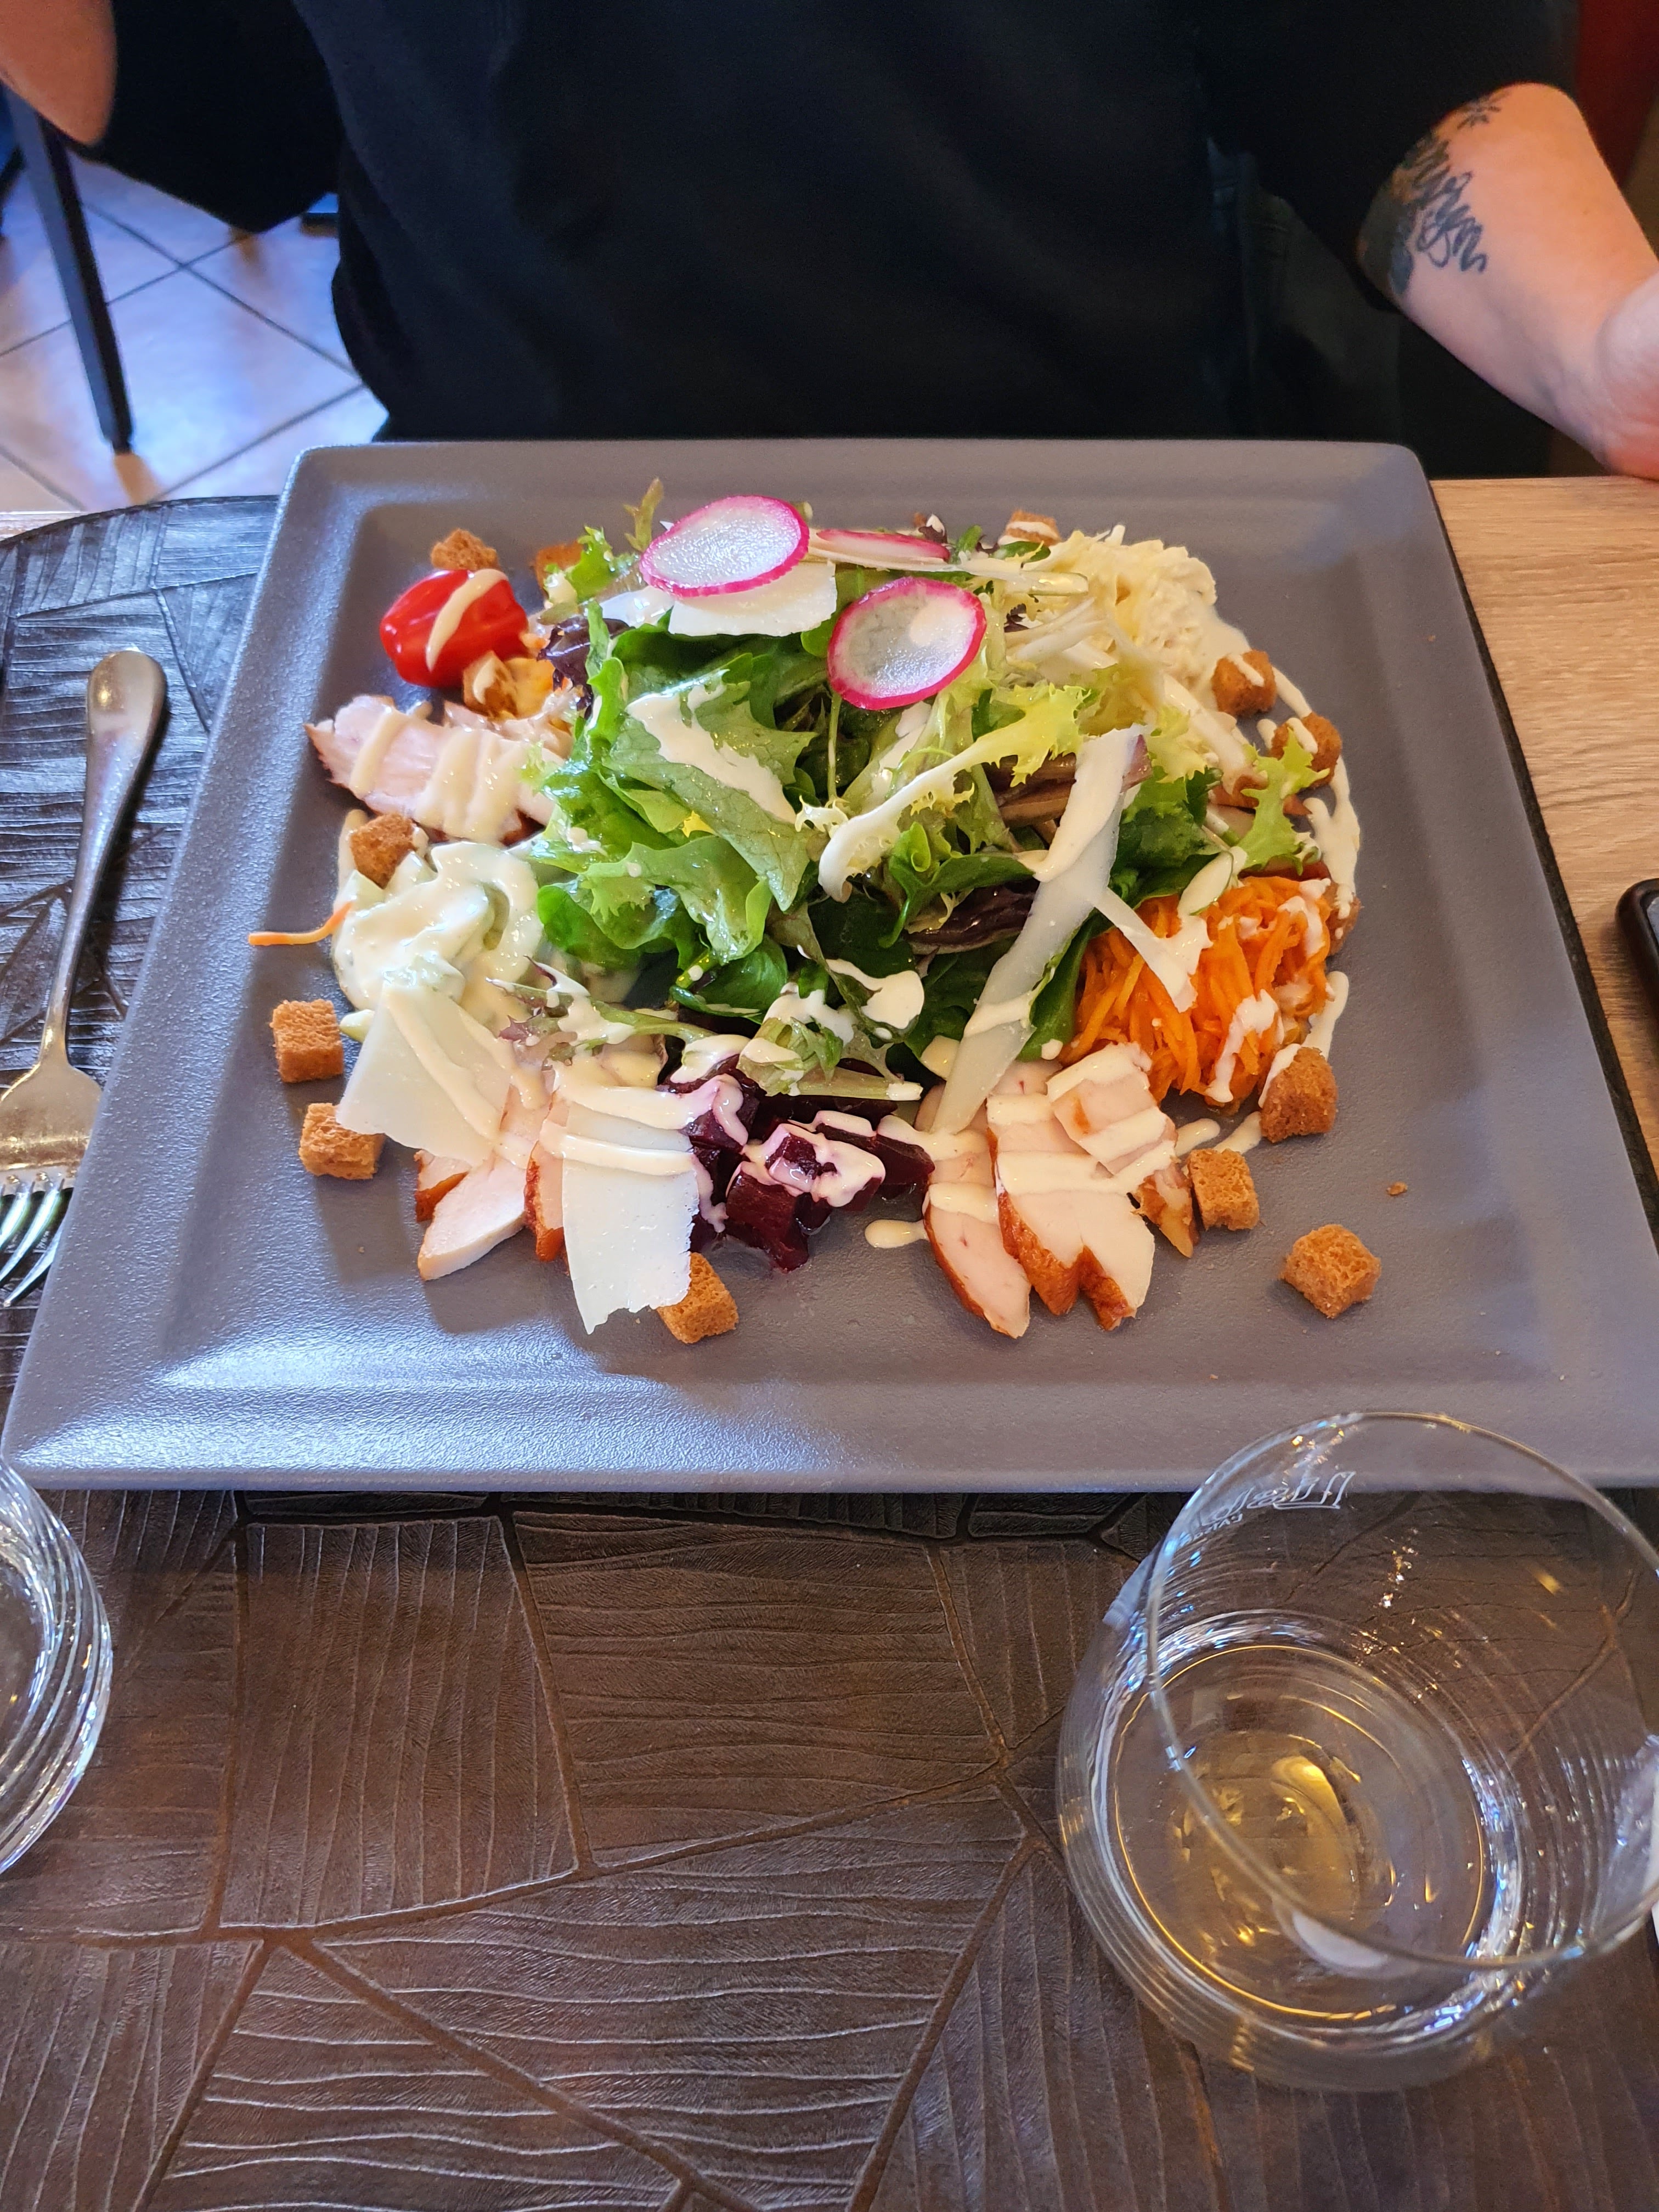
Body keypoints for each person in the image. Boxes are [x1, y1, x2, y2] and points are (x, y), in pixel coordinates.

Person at [5, 0, 1657, 476]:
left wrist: (1609, 350)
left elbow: (1388, 69)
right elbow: (234, 99)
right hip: (511, 571)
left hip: (1089, 538)